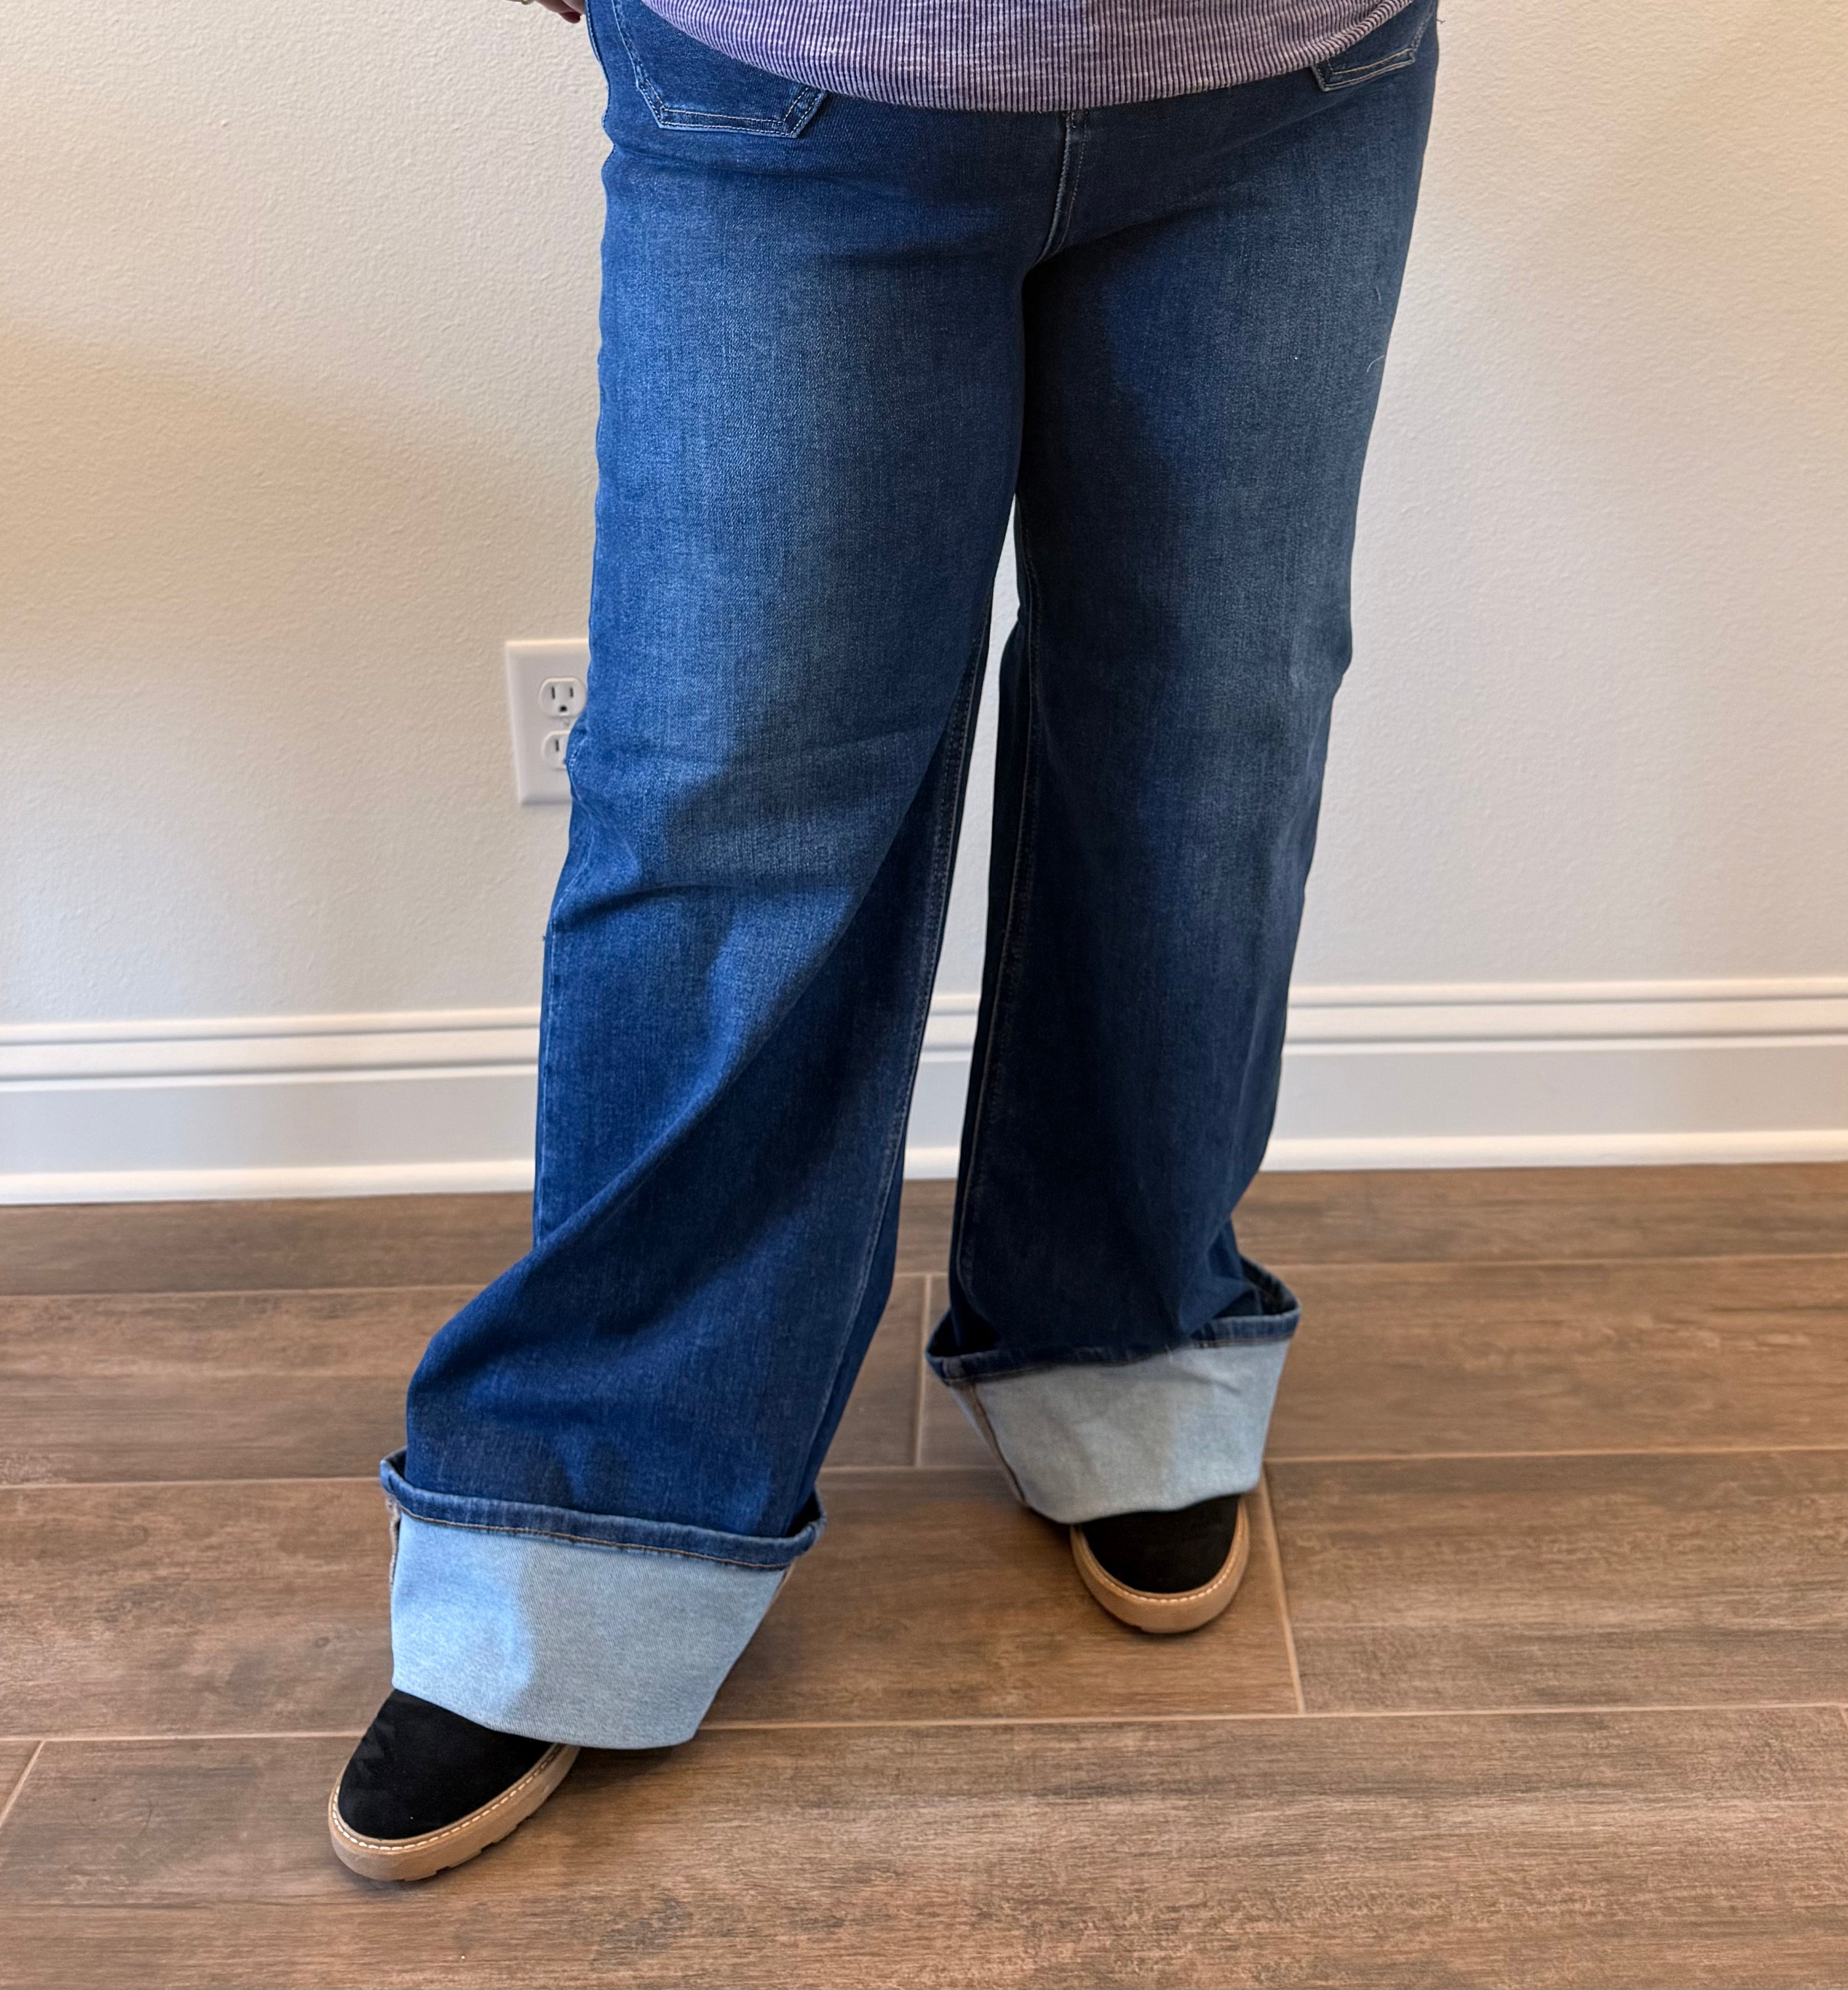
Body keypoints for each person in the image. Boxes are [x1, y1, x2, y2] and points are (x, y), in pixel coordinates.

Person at [327, 0, 1437, 1883]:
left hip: (1292, 86)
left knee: (1205, 751)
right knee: (728, 792)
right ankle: (594, 1525)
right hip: (787, 78)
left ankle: (1123, 1344)